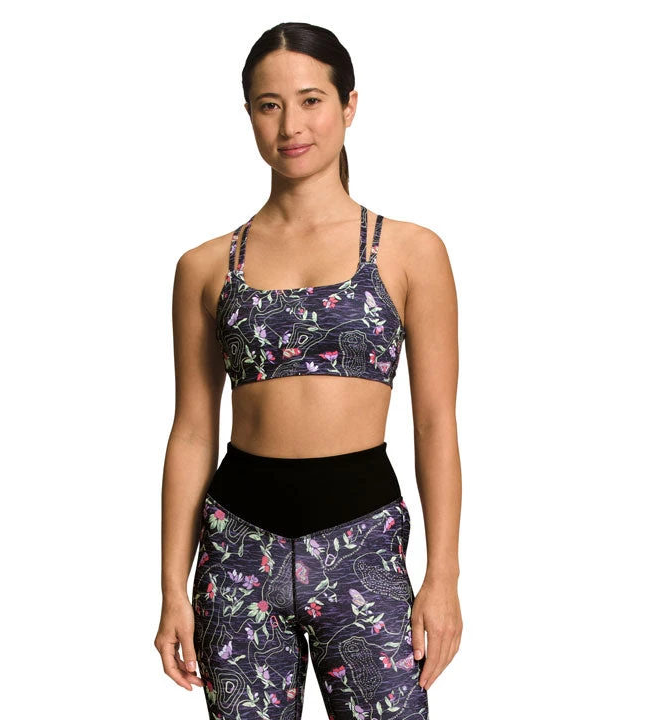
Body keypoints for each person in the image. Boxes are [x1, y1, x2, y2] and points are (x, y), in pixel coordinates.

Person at [154, 21, 462, 720]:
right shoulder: (204, 267)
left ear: (349, 105)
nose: (291, 125)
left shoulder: (411, 253)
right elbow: (193, 431)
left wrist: (442, 575)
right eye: (269, 105)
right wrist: (173, 587)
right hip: (238, 553)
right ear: (249, 115)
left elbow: (436, 424)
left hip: (364, 547)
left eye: (311, 100)